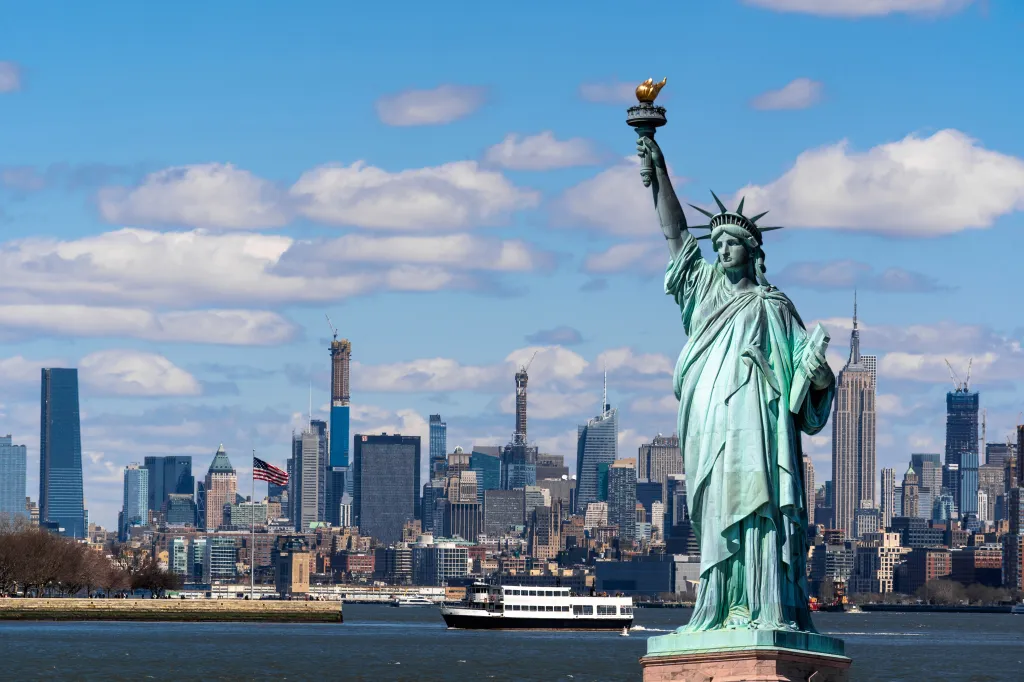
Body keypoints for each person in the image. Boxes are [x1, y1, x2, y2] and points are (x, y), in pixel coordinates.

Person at [636, 136, 835, 632]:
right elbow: (675, 234)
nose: (721, 250)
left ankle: (763, 606)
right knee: (717, 508)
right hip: (709, 421)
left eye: (731, 244)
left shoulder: (774, 306)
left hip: (759, 427)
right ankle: (720, 607)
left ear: (752, 252)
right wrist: (658, 168)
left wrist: (820, 375)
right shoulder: (701, 289)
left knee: (759, 508)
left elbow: (804, 383)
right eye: (717, 243)